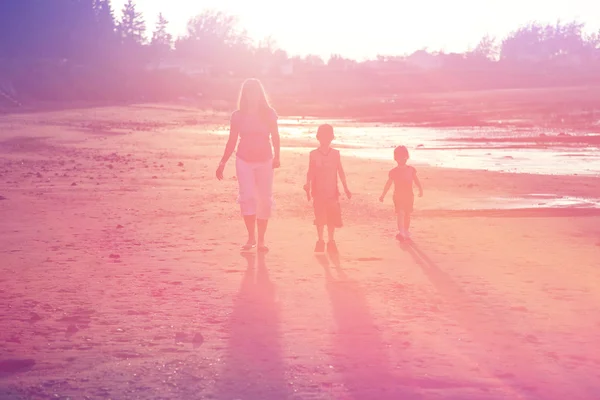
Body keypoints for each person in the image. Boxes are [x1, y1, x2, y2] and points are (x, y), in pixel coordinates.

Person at [216, 79, 280, 252]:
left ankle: (261, 240)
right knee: (248, 197)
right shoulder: (238, 115)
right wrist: (223, 162)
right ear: (244, 94)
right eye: (249, 92)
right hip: (243, 160)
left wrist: (277, 156)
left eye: (256, 92)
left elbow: (275, 136)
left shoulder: (269, 113)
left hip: (265, 160)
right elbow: (232, 140)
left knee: (264, 199)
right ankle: (251, 237)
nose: (253, 95)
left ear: (260, 94)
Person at [303, 124, 351, 253]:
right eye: (323, 136)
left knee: (331, 218)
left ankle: (331, 240)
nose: (325, 139)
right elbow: (310, 171)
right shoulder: (313, 154)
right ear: (318, 137)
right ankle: (320, 240)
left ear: (332, 137)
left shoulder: (335, 154)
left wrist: (346, 188)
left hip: (332, 192)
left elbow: (340, 171)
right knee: (319, 218)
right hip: (318, 192)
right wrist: (307, 184)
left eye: (328, 136)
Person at [379, 145, 423, 241]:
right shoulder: (393, 172)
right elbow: (388, 184)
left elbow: (416, 180)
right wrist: (383, 195)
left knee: (407, 214)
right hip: (398, 195)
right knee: (401, 213)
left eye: (404, 157)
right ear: (396, 159)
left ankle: (406, 230)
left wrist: (420, 189)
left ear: (407, 157)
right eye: (400, 157)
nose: (402, 159)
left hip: (409, 195)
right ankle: (401, 231)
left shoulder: (411, 170)